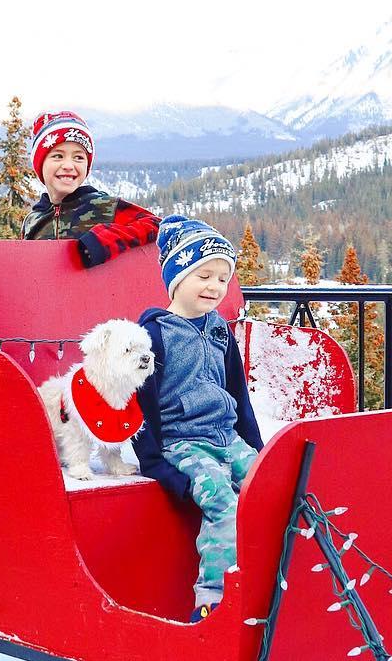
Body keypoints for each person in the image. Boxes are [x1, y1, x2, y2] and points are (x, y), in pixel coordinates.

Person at [133, 215, 264, 621]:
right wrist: (158, 466)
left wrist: (259, 450)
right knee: (224, 506)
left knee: (274, 490)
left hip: (228, 437)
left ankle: (273, 591)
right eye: (203, 275)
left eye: (223, 279)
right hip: (183, 444)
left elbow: (238, 395)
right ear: (177, 277)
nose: (214, 287)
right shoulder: (153, 335)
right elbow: (139, 404)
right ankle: (212, 604)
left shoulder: (220, 330)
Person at [21, 110, 160, 266]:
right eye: (58, 156)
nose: (68, 165)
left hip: (98, 290)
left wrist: (107, 238)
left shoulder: (105, 207)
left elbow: (157, 224)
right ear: (40, 165)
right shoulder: (32, 220)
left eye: (78, 157)